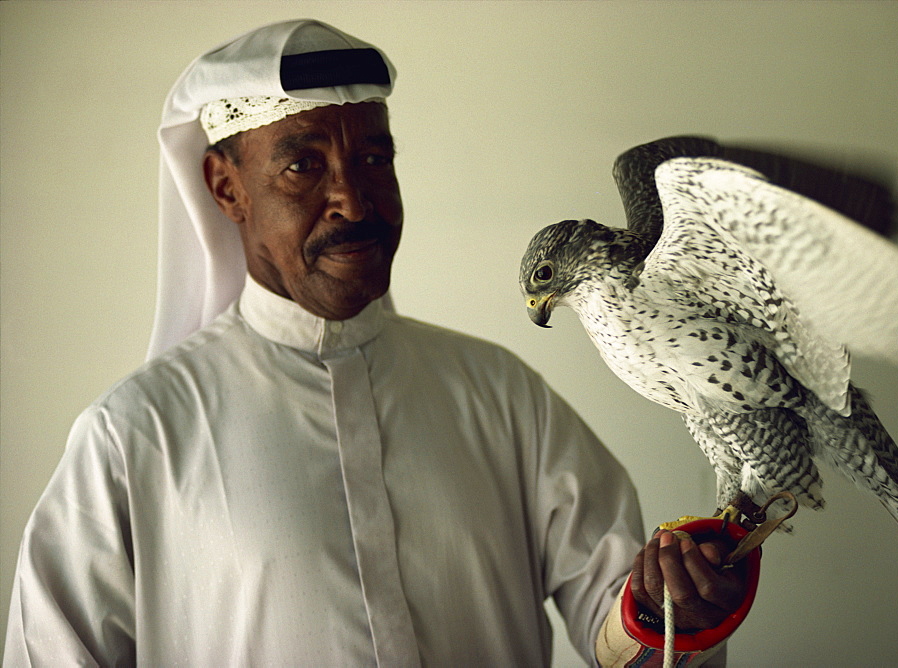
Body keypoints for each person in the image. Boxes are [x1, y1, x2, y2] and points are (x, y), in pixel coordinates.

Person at [4, 19, 754, 666]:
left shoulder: (500, 396)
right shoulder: (132, 437)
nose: (354, 201)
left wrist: (670, 607)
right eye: (303, 165)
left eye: (373, 160)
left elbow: (619, 625)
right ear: (225, 188)